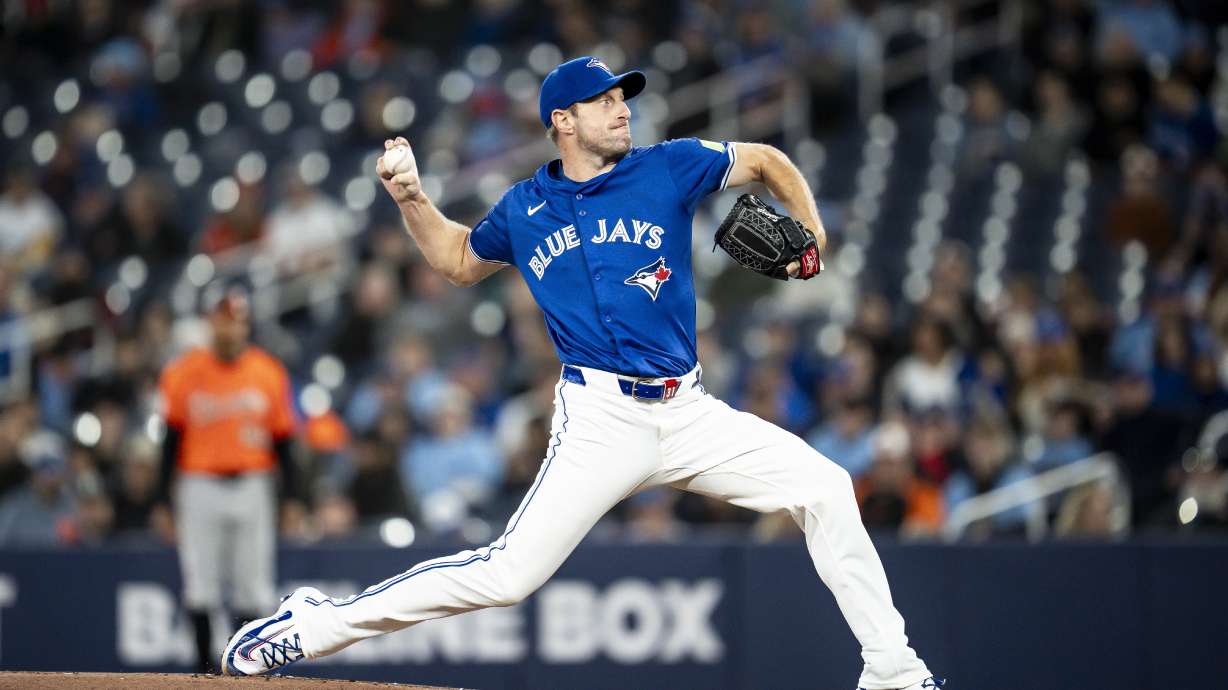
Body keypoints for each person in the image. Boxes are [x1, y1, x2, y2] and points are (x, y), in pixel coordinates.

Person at [223, 56, 942, 690]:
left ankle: (894, 671)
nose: (622, 108)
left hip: (689, 412)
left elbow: (762, 160)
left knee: (826, 487)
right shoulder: (526, 207)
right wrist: (412, 198)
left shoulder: (666, 165)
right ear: (563, 120)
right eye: (605, 101)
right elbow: (456, 261)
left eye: (622, 98)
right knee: (507, 577)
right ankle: (315, 624)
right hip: (602, 421)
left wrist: (811, 233)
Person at [156, 285, 303, 673]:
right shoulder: (184, 372)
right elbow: (169, 441)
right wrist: (161, 500)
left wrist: (292, 499)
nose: (229, 330)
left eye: (236, 321)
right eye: (223, 321)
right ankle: (204, 669)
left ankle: (247, 668)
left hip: (253, 483)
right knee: (200, 583)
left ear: (246, 325)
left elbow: (285, 444)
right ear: (210, 323)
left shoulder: (268, 371)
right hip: (199, 483)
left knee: (252, 583)